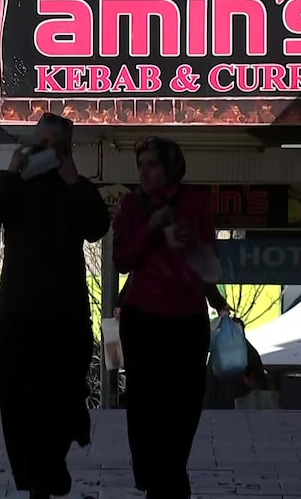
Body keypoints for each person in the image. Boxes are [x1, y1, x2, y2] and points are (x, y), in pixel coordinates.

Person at [0, 113, 110, 499]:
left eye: (51, 145)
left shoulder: (75, 187)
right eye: (38, 143)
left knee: (66, 391)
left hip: (66, 311)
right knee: (20, 400)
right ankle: (36, 478)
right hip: (20, 311)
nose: (42, 151)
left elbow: (97, 227)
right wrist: (12, 172)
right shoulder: (18, 185)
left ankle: (54, 460)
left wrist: (72, 180)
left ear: (66, 150)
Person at [112, 137, 219, 499]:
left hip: (187, 317)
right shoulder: (130, 205)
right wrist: (152, 228)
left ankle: (172, 471)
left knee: (186, 403)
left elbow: (211, 265)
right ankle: (155, 474)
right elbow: (122, 260)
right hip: (143, 317)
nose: (144, 171)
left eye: (152, 164)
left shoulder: (195, 202)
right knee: (145, 403)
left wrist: (192, 244)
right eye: (140, 164)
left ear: (171, 167)